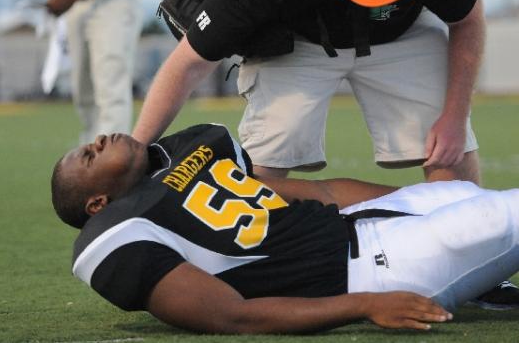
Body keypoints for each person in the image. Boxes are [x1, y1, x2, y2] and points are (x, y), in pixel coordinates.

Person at [130, 0, 519, 307]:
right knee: (268, 154)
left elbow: (468, 19)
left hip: (404, 34)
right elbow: (189, 64)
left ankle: (477, 265)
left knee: (449, 147)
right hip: (301, 41)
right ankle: (251, 259)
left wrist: (453, 115)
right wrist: (136, 150)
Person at [51, 124, 519, 333]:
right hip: (371, 270)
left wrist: (412, 200)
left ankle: (481, 280)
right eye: (89, 157)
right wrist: (368, 305)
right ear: (97, 203)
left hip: (361, 224)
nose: (98, 141)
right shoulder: (118, 233)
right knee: (507, 214)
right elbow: (230, 316)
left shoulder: (190, 150)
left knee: (466, 196)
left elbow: (324, 193)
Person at [0, 0, 142, 144]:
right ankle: (91, 151)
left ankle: (112, 158)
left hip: (113, 0)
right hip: (74, 5)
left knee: (110, 81)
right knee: (83, 88)